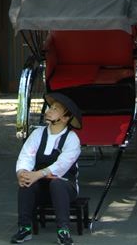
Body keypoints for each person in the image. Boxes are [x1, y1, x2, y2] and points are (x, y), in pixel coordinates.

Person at [10, 92, 82, 245]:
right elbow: (26, 156)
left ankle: (63, 230)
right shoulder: (38, 134)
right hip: (41, 187)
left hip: (65, 187)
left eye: (55, 109)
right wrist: (22, 172)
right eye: (50, 107)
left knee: (57, 183)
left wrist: (38, 174)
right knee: (26, 182)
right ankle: (24, 227)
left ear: (65, 118)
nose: (49, 111)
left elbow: (62, 165)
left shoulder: (72, 139)